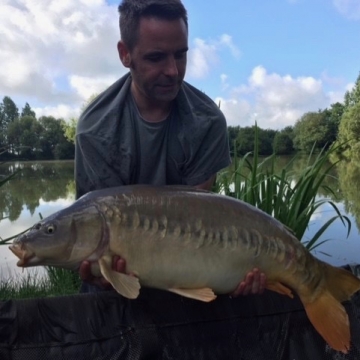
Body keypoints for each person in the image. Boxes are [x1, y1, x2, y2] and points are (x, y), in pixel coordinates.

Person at [75, 0, 266, 296]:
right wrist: (103, 269)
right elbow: (103, 224)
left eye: (180, 55)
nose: (173, 71)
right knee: (100, 276)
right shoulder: (95, 128)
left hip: (188, 255)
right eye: (156, 58)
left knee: (233, 288)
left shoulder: (207, 122)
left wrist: (234, 271)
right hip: (121, 269)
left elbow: (197, 222)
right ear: (125, 54)